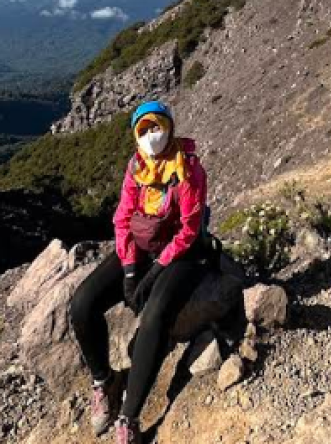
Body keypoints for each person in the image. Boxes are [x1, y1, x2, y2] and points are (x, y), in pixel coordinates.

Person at [70, 101, 209, 444]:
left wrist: (158, 268)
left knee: (154, 317)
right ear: (136, 134)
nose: (152, 135)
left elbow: (190, 229)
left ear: (170, 127)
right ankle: (105, 381)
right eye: (144, 129)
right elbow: (123, 218)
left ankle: (128, 418)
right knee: (82, 304)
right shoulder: (136, 167)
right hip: (142, 247)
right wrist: (131, 269)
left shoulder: (187, 169)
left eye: (157, 126)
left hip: (180, 253)